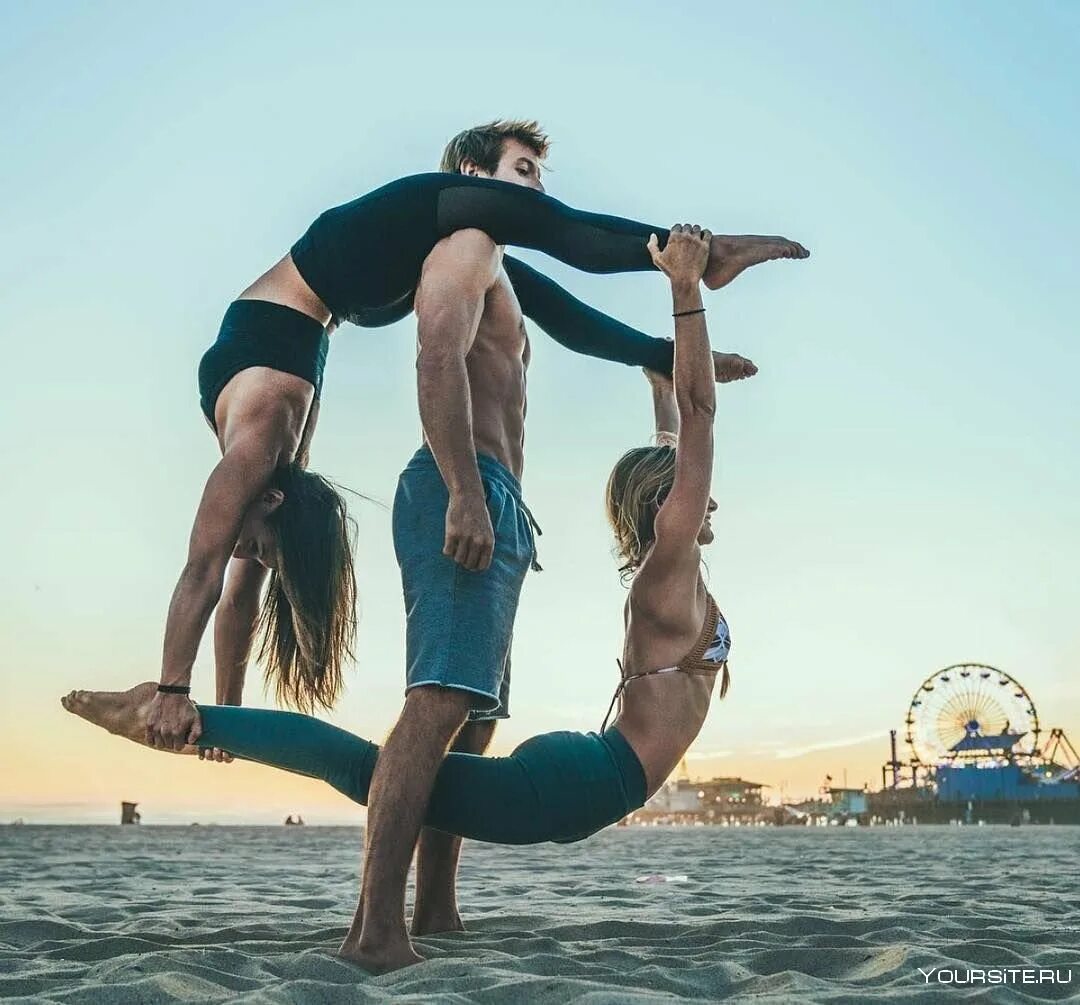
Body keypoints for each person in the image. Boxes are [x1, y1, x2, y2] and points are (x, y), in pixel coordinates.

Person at [64, 222, 738, 969]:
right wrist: (683, 290)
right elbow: (700, 417)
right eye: (697, 496)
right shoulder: (671, 558)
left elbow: (678, 430)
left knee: (450, 739)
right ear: (666, 506)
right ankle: (193, 724)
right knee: (373, 761)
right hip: (579, 787)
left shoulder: (671, 548)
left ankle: (435, 909)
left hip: (585, 763)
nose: (712, 504)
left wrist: (657, 370)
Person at [147, 119, 808, 759]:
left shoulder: (280, 439)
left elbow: (563, 316)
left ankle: (697, 262)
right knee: (558, 233)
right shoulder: (273, 434)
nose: (536, 192)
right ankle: (707, 254)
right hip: (280, 331)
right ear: (471, 171)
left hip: (287, 336)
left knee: (539, 262)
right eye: (524, 173)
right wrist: (174, 689)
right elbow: (208, 571)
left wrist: (219, 721)